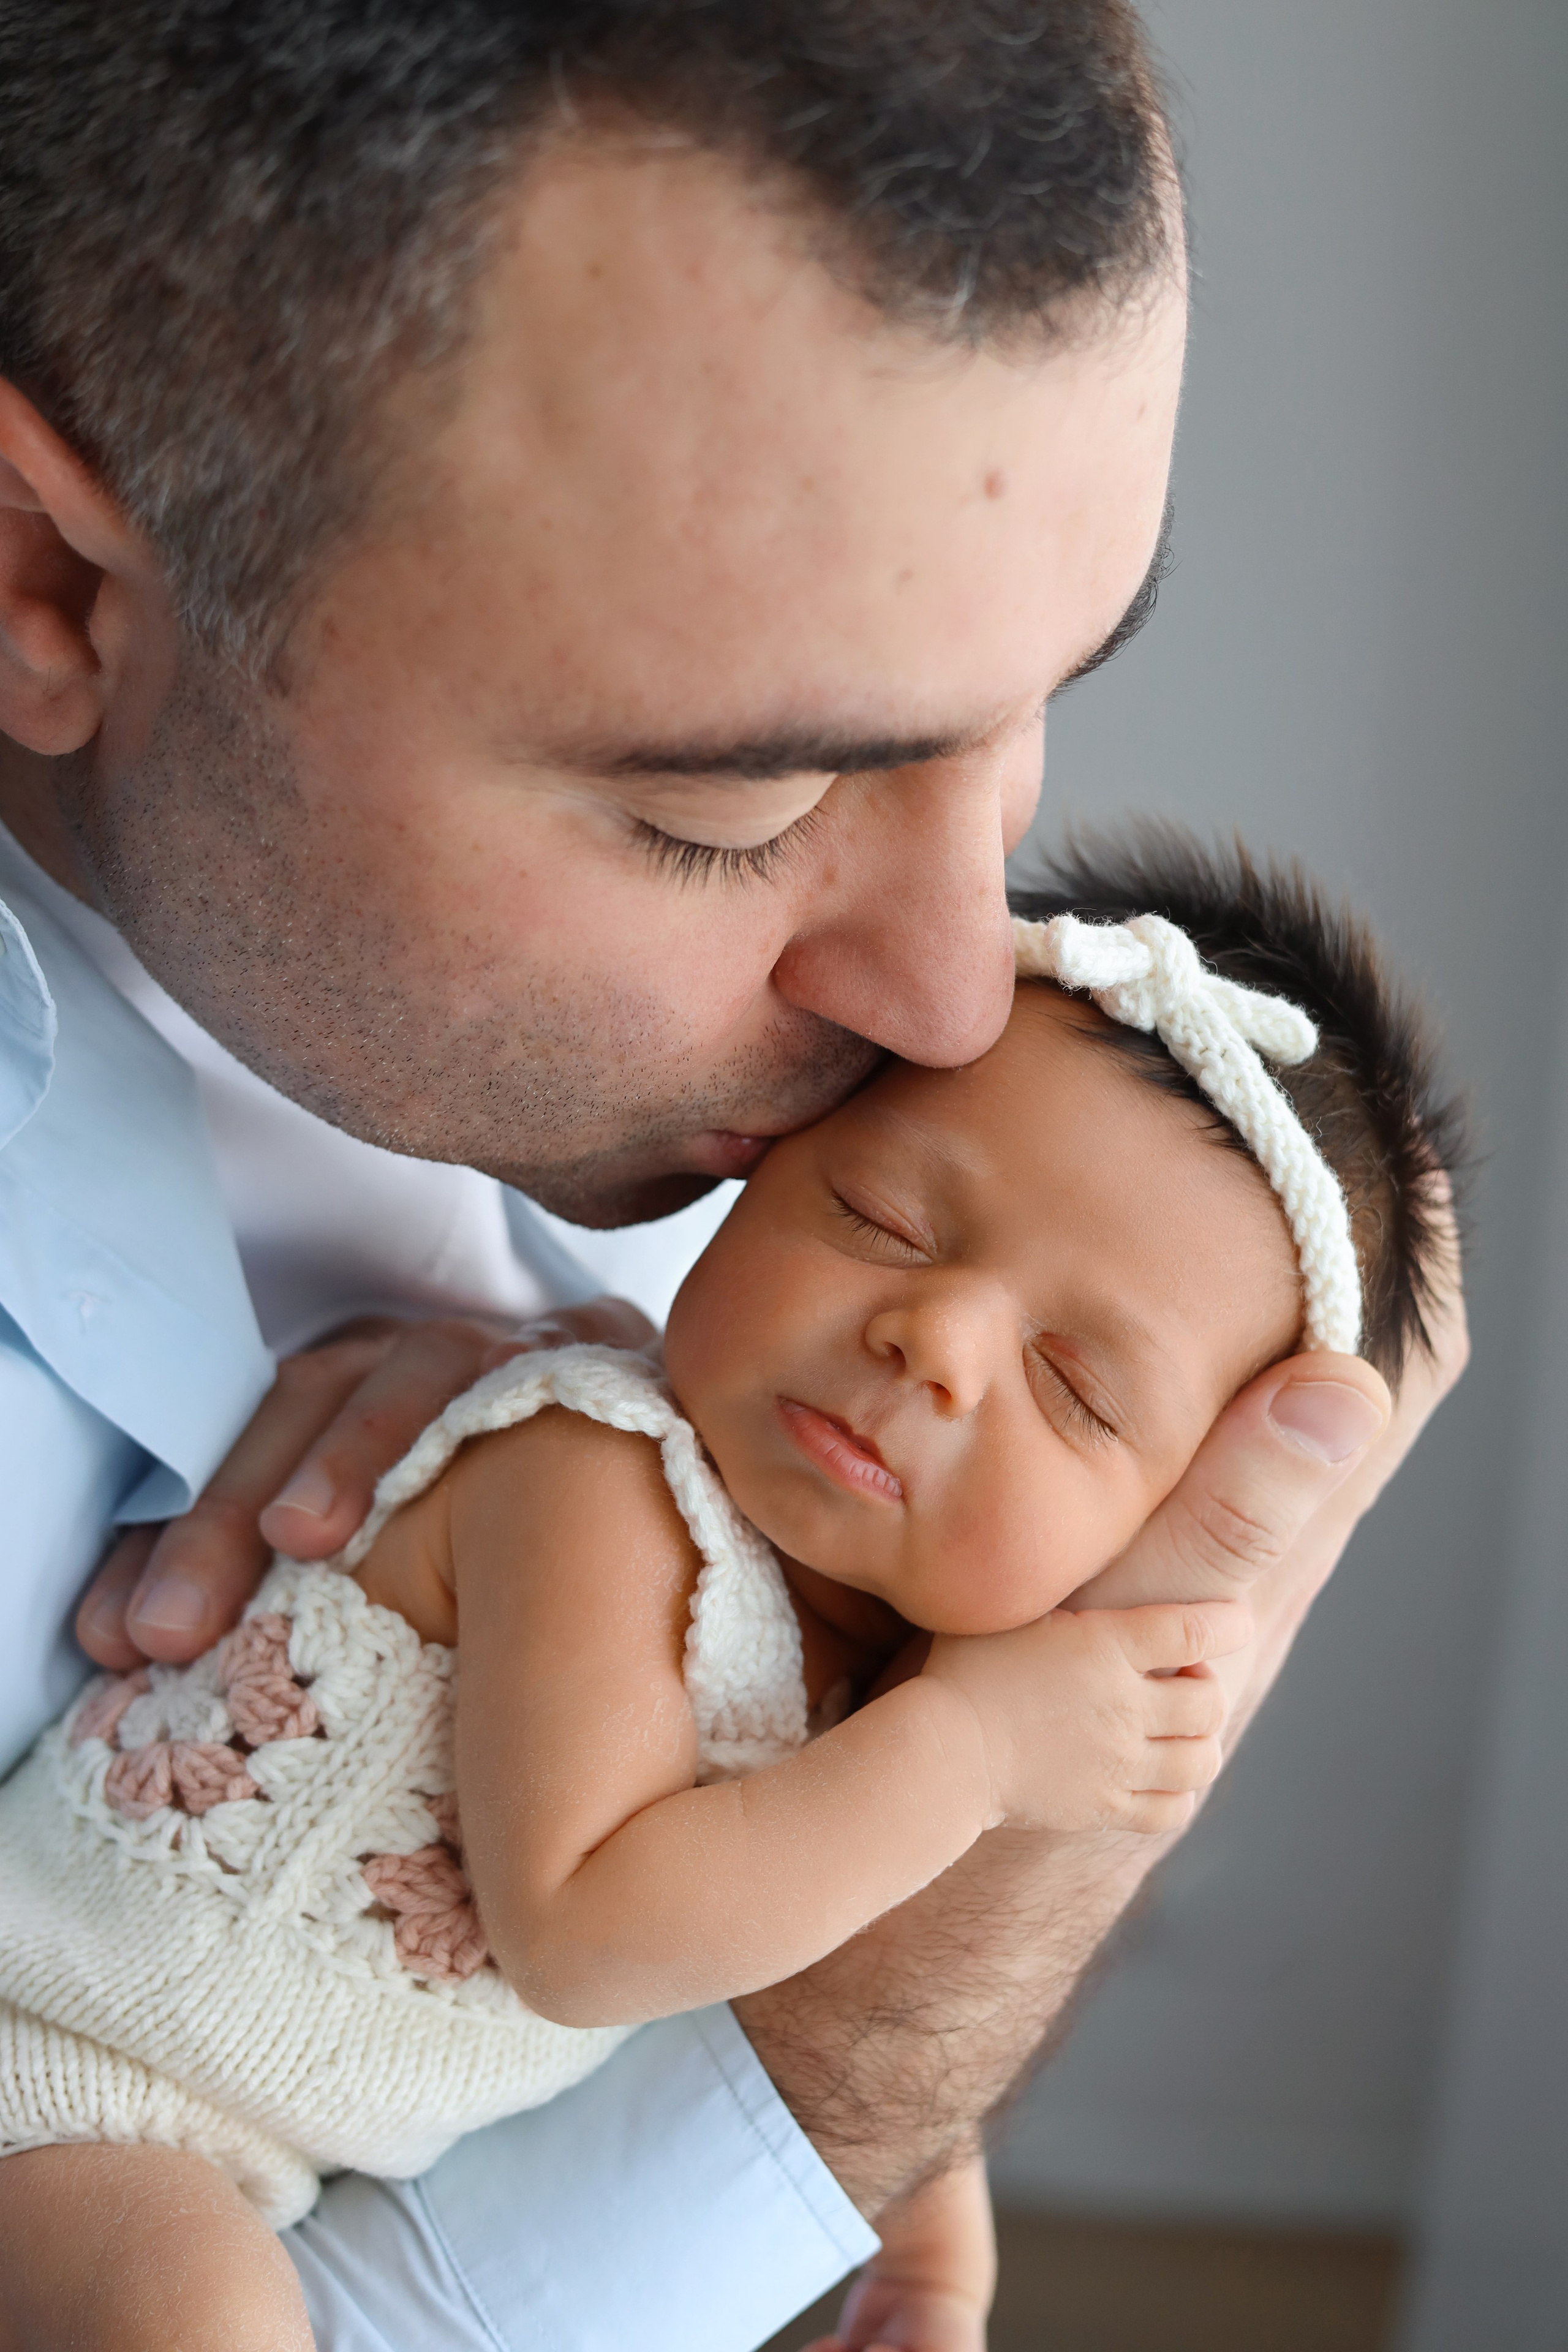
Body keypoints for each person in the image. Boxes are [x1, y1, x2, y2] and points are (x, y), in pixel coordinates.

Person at [0, 9, 1467, 2350]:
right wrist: (971, 1861)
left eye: (1032, 718)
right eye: (735, 808)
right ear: (49, 586)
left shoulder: (807, 1201)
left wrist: (889, 2124)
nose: (956, 996)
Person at [0, 839, 1465, 2352]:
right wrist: (966, 1753)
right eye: (883, 1218)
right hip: (75, 2061)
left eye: (1075, 1388)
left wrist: (929, 2253)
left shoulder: (876, 1664)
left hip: (246, 2144)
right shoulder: (592, 1473)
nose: (936, 1341)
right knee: (202, 2319)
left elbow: (833, 1937)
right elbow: (585, 1929)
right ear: (758, 1170)